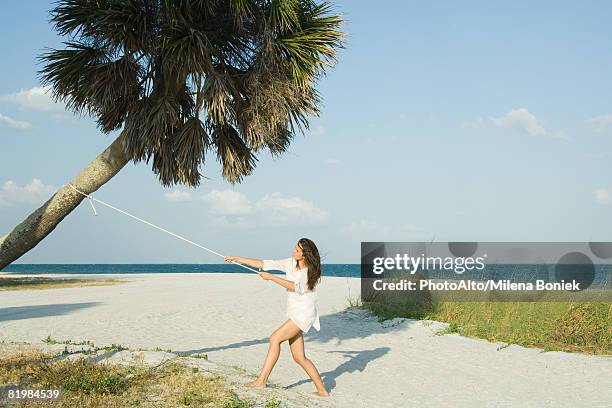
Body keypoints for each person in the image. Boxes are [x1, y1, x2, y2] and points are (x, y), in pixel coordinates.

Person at [223, 237, 329, 397]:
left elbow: (294, 287)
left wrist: (271, 277)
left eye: (298, 250)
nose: (294, 251)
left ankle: (261, 381)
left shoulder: (308, 273)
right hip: (295, 313)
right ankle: (322, 391)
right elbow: (264, 263)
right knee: (300, 358)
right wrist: (237, 258)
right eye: (295, 248)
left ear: (305, 255)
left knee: (274, 339)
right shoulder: (290, 263)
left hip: (303, 315)